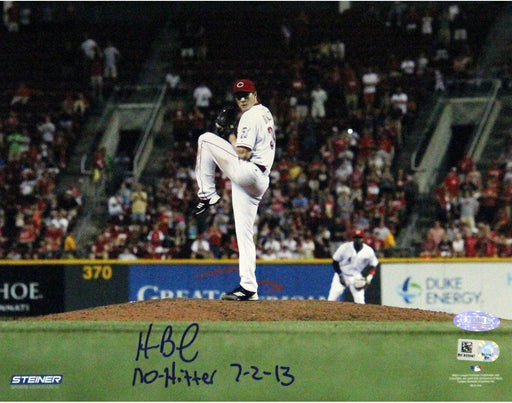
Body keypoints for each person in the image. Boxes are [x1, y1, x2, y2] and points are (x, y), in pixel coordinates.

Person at [194, 79, 276, 301]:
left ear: (255, 94)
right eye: (238, 96)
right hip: (257, 179)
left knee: (205, 139)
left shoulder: (250, 116)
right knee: (244, 234)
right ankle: (249, 287)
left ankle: (208, 194)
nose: (241, 99)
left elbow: (242, 153)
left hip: (249, 170)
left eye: (246, 94)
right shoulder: (266, 112)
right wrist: (231, 131)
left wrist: (228, 133)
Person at [327, 229, 379, 304]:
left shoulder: (368, 251)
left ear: (363, 238)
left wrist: (368, 279)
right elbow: (335, 262)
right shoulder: (345, 247)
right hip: (342, 274)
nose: (358, 240)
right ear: (353, 238)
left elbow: (374, 265)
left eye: (360, 237)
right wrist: (340, 276)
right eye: (356, 238)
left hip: (356, 277)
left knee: (360, 303)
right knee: (331, 299)